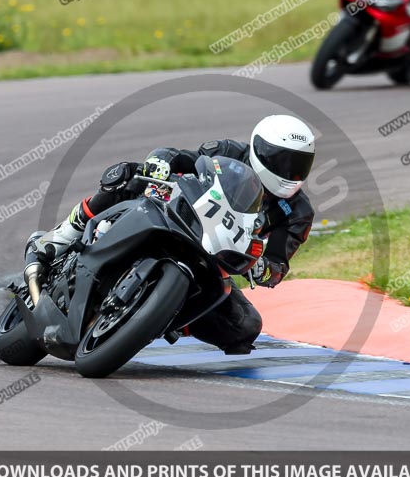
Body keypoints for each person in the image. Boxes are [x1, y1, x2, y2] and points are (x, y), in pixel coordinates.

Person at [23, 115, 317, 355]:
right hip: (180, 216)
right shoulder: (229, 152)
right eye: (282, 161)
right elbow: (181, 158)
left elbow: (278, 262)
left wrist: (265, 268)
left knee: (245, 327)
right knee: (128, 175)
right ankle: (63, 235)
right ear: (259, 150)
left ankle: (161, 317)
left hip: (216, 255)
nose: (289, 172)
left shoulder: (298, 212)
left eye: (298, 164)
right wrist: (161, 161)